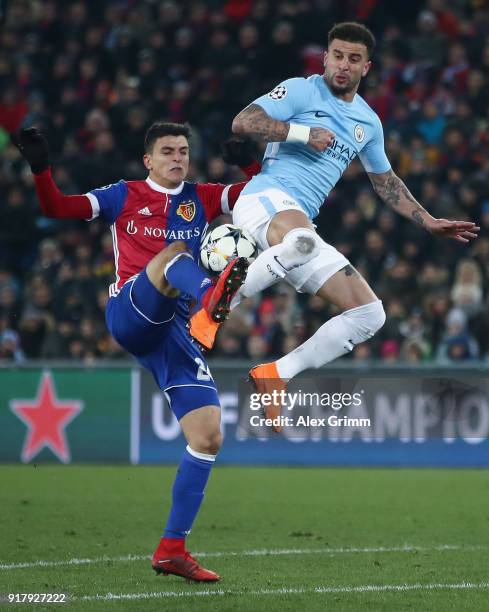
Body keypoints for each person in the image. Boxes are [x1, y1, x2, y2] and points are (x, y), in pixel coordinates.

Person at [11, 122, 259, 582]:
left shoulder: (203, 196)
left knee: (207, 436)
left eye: (184, 150)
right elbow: (57, 206)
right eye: (167, 151)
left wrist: (248, 162)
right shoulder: (122, 194)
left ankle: (171, 549)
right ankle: (212, 296)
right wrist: (41, 168)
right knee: (172, 254)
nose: (177, 158)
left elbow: (263, 195)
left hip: (174, 332)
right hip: (131, 310)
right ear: (148, 160)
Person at [227, 21, 479, 431]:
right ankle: (218, 304)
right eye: (338, 56)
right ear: (326, 58)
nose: (343, 65)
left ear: (367, 67)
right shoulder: (301, 89)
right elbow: (244, 122)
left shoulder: (368, 122)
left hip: (299, 228)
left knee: (369, 314)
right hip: (265, 199)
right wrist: (302, 133)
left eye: (354, 59)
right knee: (302, 240)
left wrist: (428, 221)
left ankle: (276, 375)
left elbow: (386, 181)